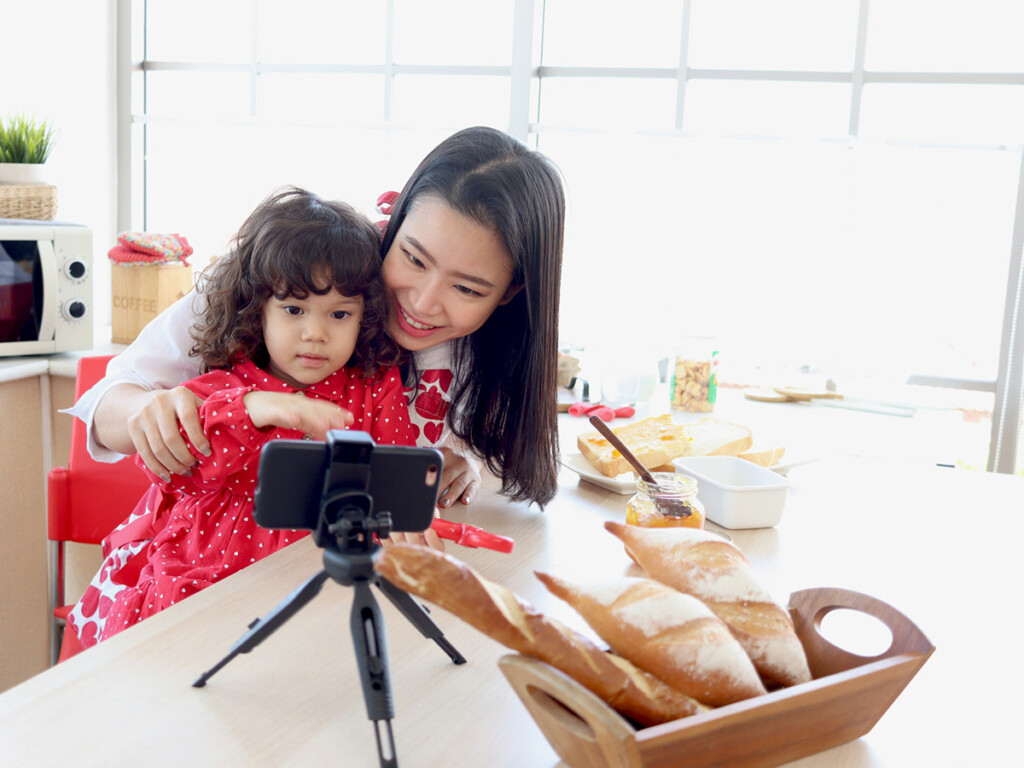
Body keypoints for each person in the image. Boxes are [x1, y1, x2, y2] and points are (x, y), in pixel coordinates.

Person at [70, 126, 565, 511]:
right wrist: (141, 412)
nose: (424, 302)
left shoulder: (501, 348)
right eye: (413, 257)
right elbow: (107, 403)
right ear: (396, 220)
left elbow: (435, 455)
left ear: (510, 293)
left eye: (466, 288)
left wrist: (462, 465)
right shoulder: (304, 272)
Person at [63, 187, 415, 657]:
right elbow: (181, 466)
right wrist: (260, 408)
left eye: (339, 314)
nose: (315, 332)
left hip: (324, 568)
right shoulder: (221, 385)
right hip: (209, 569)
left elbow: (396, 473)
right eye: (293, 310)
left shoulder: (375, 387)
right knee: (183, 664)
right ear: (258, 310)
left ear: (363, 317)